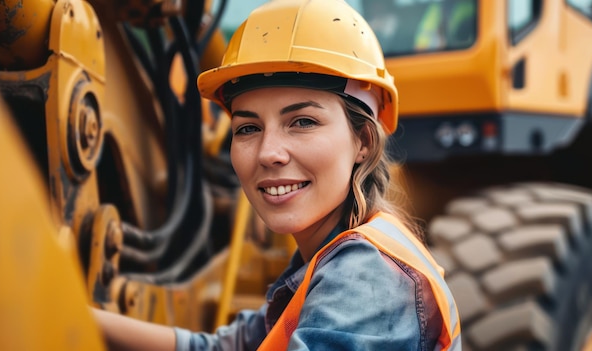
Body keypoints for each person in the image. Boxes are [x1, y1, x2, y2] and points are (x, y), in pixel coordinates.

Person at [94, 0, 462, 349]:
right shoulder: (322, 262)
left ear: (362, 141)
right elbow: (223, 348)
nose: (269, 153)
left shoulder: (365, 278)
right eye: (248, 128)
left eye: (302, 122)